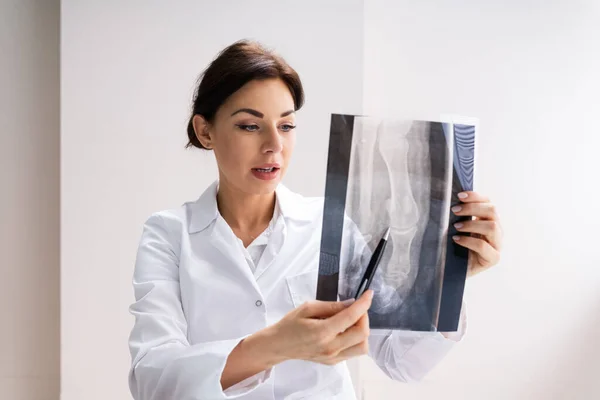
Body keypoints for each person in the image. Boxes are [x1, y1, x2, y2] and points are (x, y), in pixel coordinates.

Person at [127, 40, 503, 400]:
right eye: (249, 125)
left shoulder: (328, 223)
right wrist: (276, 344)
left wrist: (450, 280)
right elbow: (153, 379)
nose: (274, 144)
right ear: (205, 130)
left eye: (286, 126)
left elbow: (400, 360)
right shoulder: (169, 234)